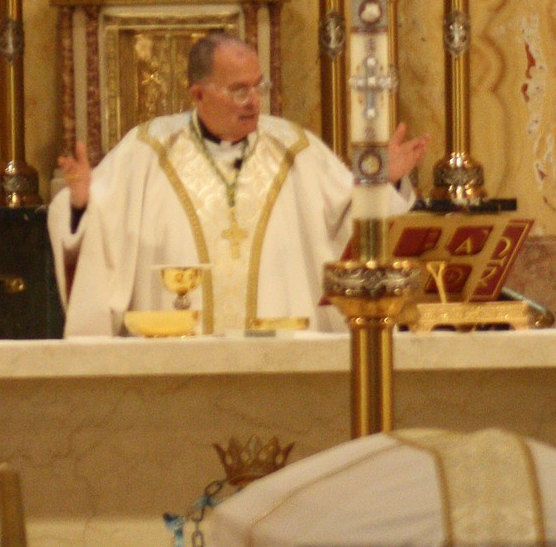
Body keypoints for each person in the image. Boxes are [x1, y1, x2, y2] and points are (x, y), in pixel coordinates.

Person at [48, 33, 430, 336]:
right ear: (197, 94)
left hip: (281, 356)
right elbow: (96, 226)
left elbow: (349, 225)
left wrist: (382, 183)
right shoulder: (146, 150)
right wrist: (81, 205)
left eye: (258, 87)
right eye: (238, 90)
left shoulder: (294, 148)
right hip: (176, 362)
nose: (252, 102)